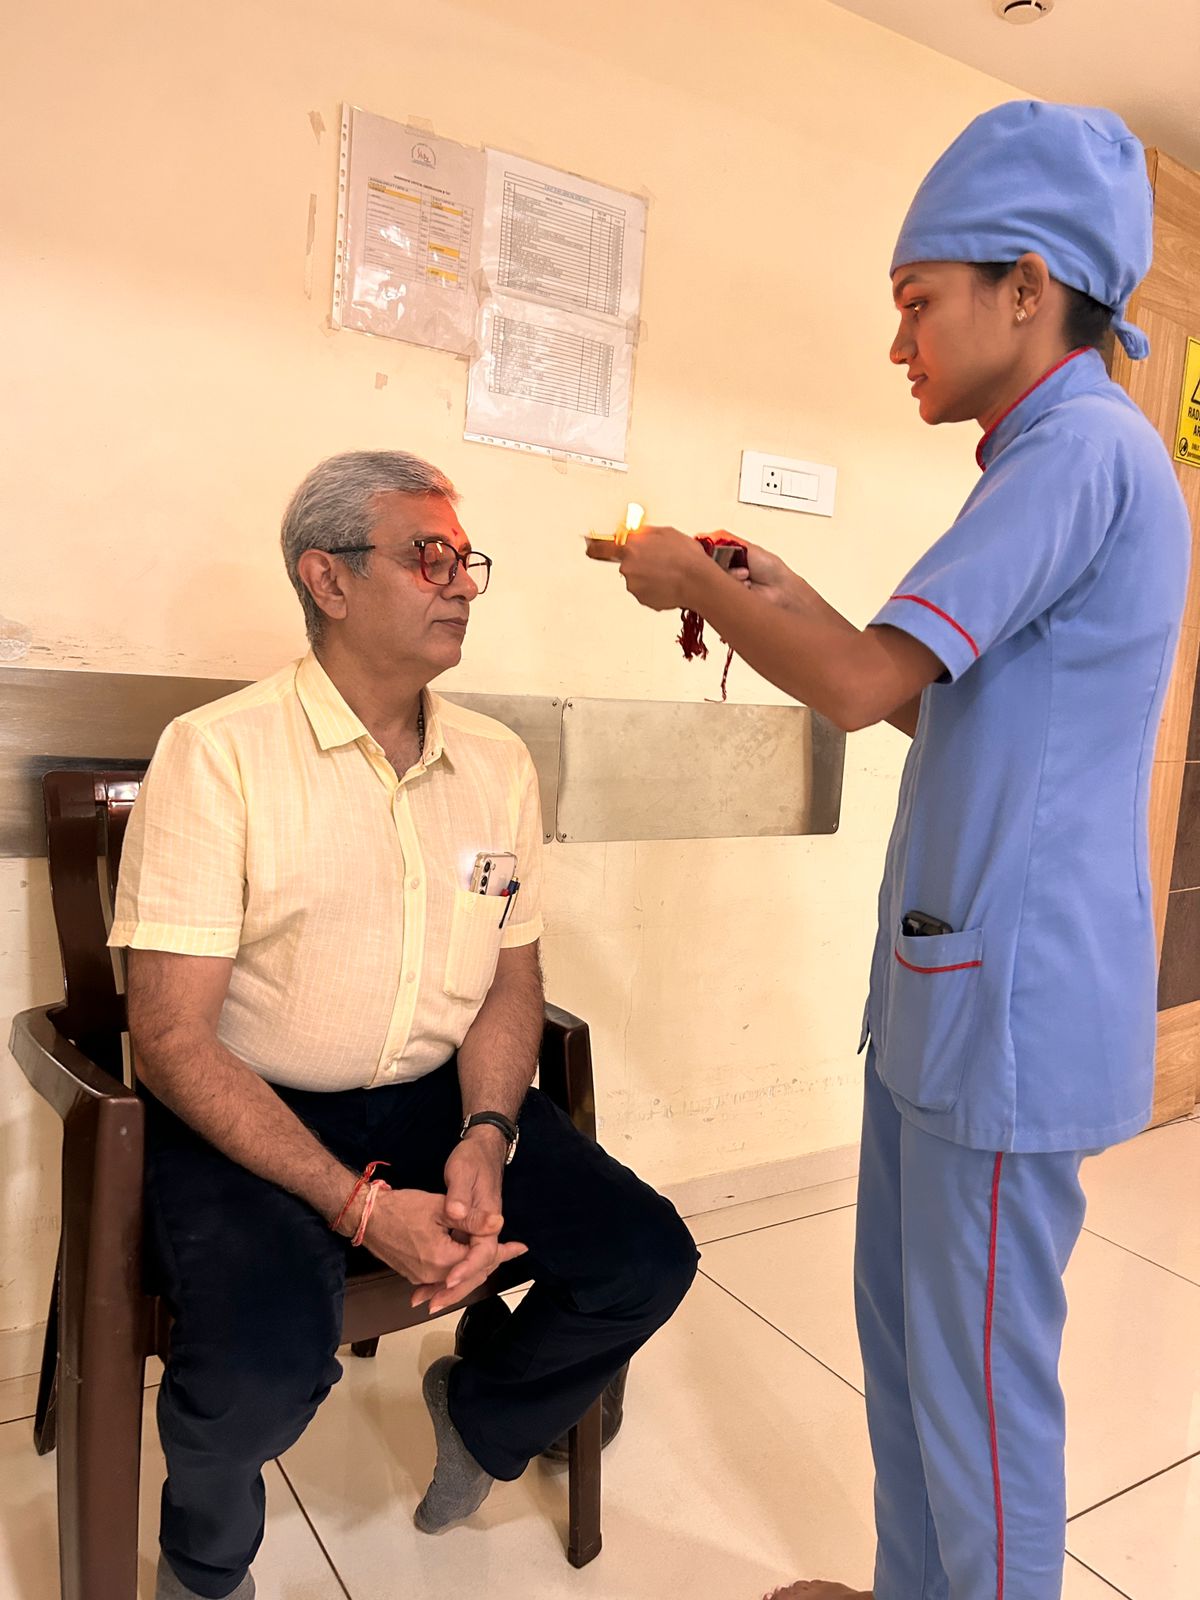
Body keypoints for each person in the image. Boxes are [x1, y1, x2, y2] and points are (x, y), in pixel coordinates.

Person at [610, 102, 1190, 1600]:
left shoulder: (1080, 450)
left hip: (1008, 1018)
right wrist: (778, 589)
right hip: (957, 999)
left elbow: (865, 686)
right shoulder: (1042, 458)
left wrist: (696, 584)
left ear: (1026, 286)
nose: (898, 344)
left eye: (917, 303)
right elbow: (940, 704)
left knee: (979, 1395)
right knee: (913, 1348)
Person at [111, 450, 698, 1600]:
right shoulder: (219, 753)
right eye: (429, 557)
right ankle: (204, 1562)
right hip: (253, 1110)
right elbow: (171, 1039)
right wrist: (362, 1207)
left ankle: (481, 1407)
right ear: (326, 579)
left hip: (435, 1098)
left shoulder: (495, 762)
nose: (463, 583)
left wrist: (486, 1130)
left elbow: (512, 976)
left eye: (467, 560)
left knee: (646, 1259)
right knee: (257, 1373)